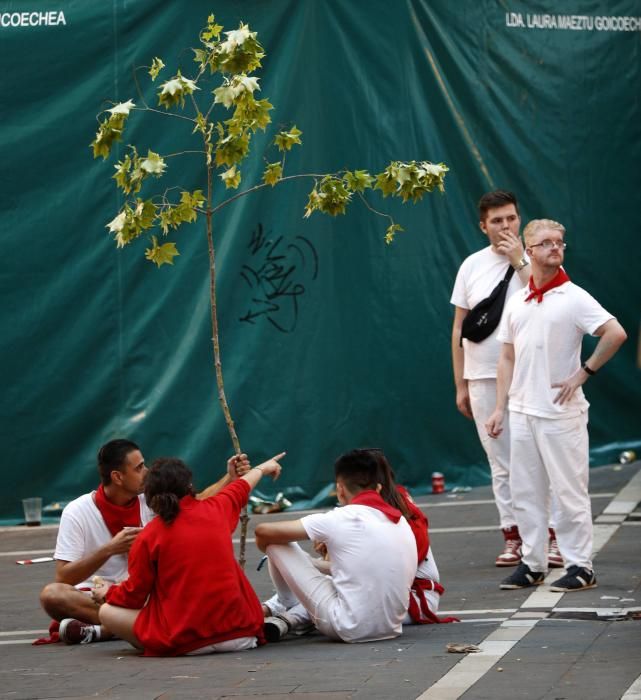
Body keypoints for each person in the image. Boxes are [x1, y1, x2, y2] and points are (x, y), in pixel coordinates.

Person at [486, 219, 627, 591]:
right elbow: (506, 357)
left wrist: (584, 373)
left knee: (569, 490)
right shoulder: (518, 300)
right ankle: (532, 563)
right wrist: (500, 407)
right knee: (526, 490)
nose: (555, 247)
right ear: (528, 251)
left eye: (560, 242)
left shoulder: (575, 297)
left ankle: (581, 565)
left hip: (561, 413)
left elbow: (615, 333)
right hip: (522, 411)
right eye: (546, 243)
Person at [39, 438, 250, 644]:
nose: (147, 472)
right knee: (52, 595)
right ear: (117, 477)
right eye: (139, 468)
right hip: (99, 595)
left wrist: (229, 478)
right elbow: (63, 577)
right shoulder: (77, 511)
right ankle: (118, 625)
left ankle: (105, 629)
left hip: (143, 592)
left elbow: (197, 502)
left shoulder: (152, 499)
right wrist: (109, 549)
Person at [450, 190, 561, 568]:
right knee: (501, 461)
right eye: (497, 221)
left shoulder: (537, 257)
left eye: (511, 218)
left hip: (531, 375)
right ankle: (513, 536)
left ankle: (551, 536)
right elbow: (459, 328)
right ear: (483, 226)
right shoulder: (471, 266)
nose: (506, 226)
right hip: (481, 376)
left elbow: (547, 295)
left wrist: (519, 259)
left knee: (541, 458)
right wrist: (461, 382)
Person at [91, 453, 284, 656]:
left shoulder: (148, 536)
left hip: (186, 642)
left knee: (106, 612)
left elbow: (134, 596)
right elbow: (243, 484)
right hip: (243, 635)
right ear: (190, 485)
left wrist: (108, 592)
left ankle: (145, 639)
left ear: (148, 495)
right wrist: (264, 467)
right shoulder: (217, 507)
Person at [254, 449, 417, 643]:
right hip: (391, 627)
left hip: (346, 626)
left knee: (276, 542)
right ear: (379, 489)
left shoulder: (338, 518)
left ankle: (286, 602)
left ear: (340, 489)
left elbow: (262, 532)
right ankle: (287, 605)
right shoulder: (400, 521)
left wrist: (281, 558)